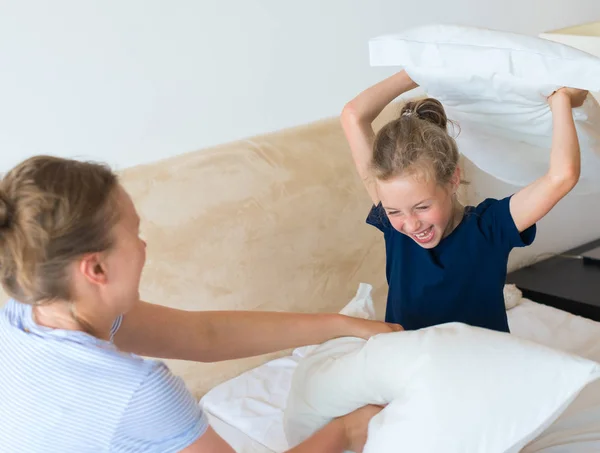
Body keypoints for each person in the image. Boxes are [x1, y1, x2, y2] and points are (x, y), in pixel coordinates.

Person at [0, 155, 400, 452]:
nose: (143, 245)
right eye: (134, 232)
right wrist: (346, 430)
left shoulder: (27, 313)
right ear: (96, 269)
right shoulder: (137, 391)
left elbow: (204, 335)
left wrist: (339, 323)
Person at [340, 70, 587, 333]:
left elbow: (562, 176)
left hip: (478, 367)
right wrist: (416, 70)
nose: (411, 225)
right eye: (394, 211)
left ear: (453, 179)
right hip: (410, 365)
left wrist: (560, 100)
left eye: (422, 207)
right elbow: (353, 116)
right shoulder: (392, 221)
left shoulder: (490, 226)